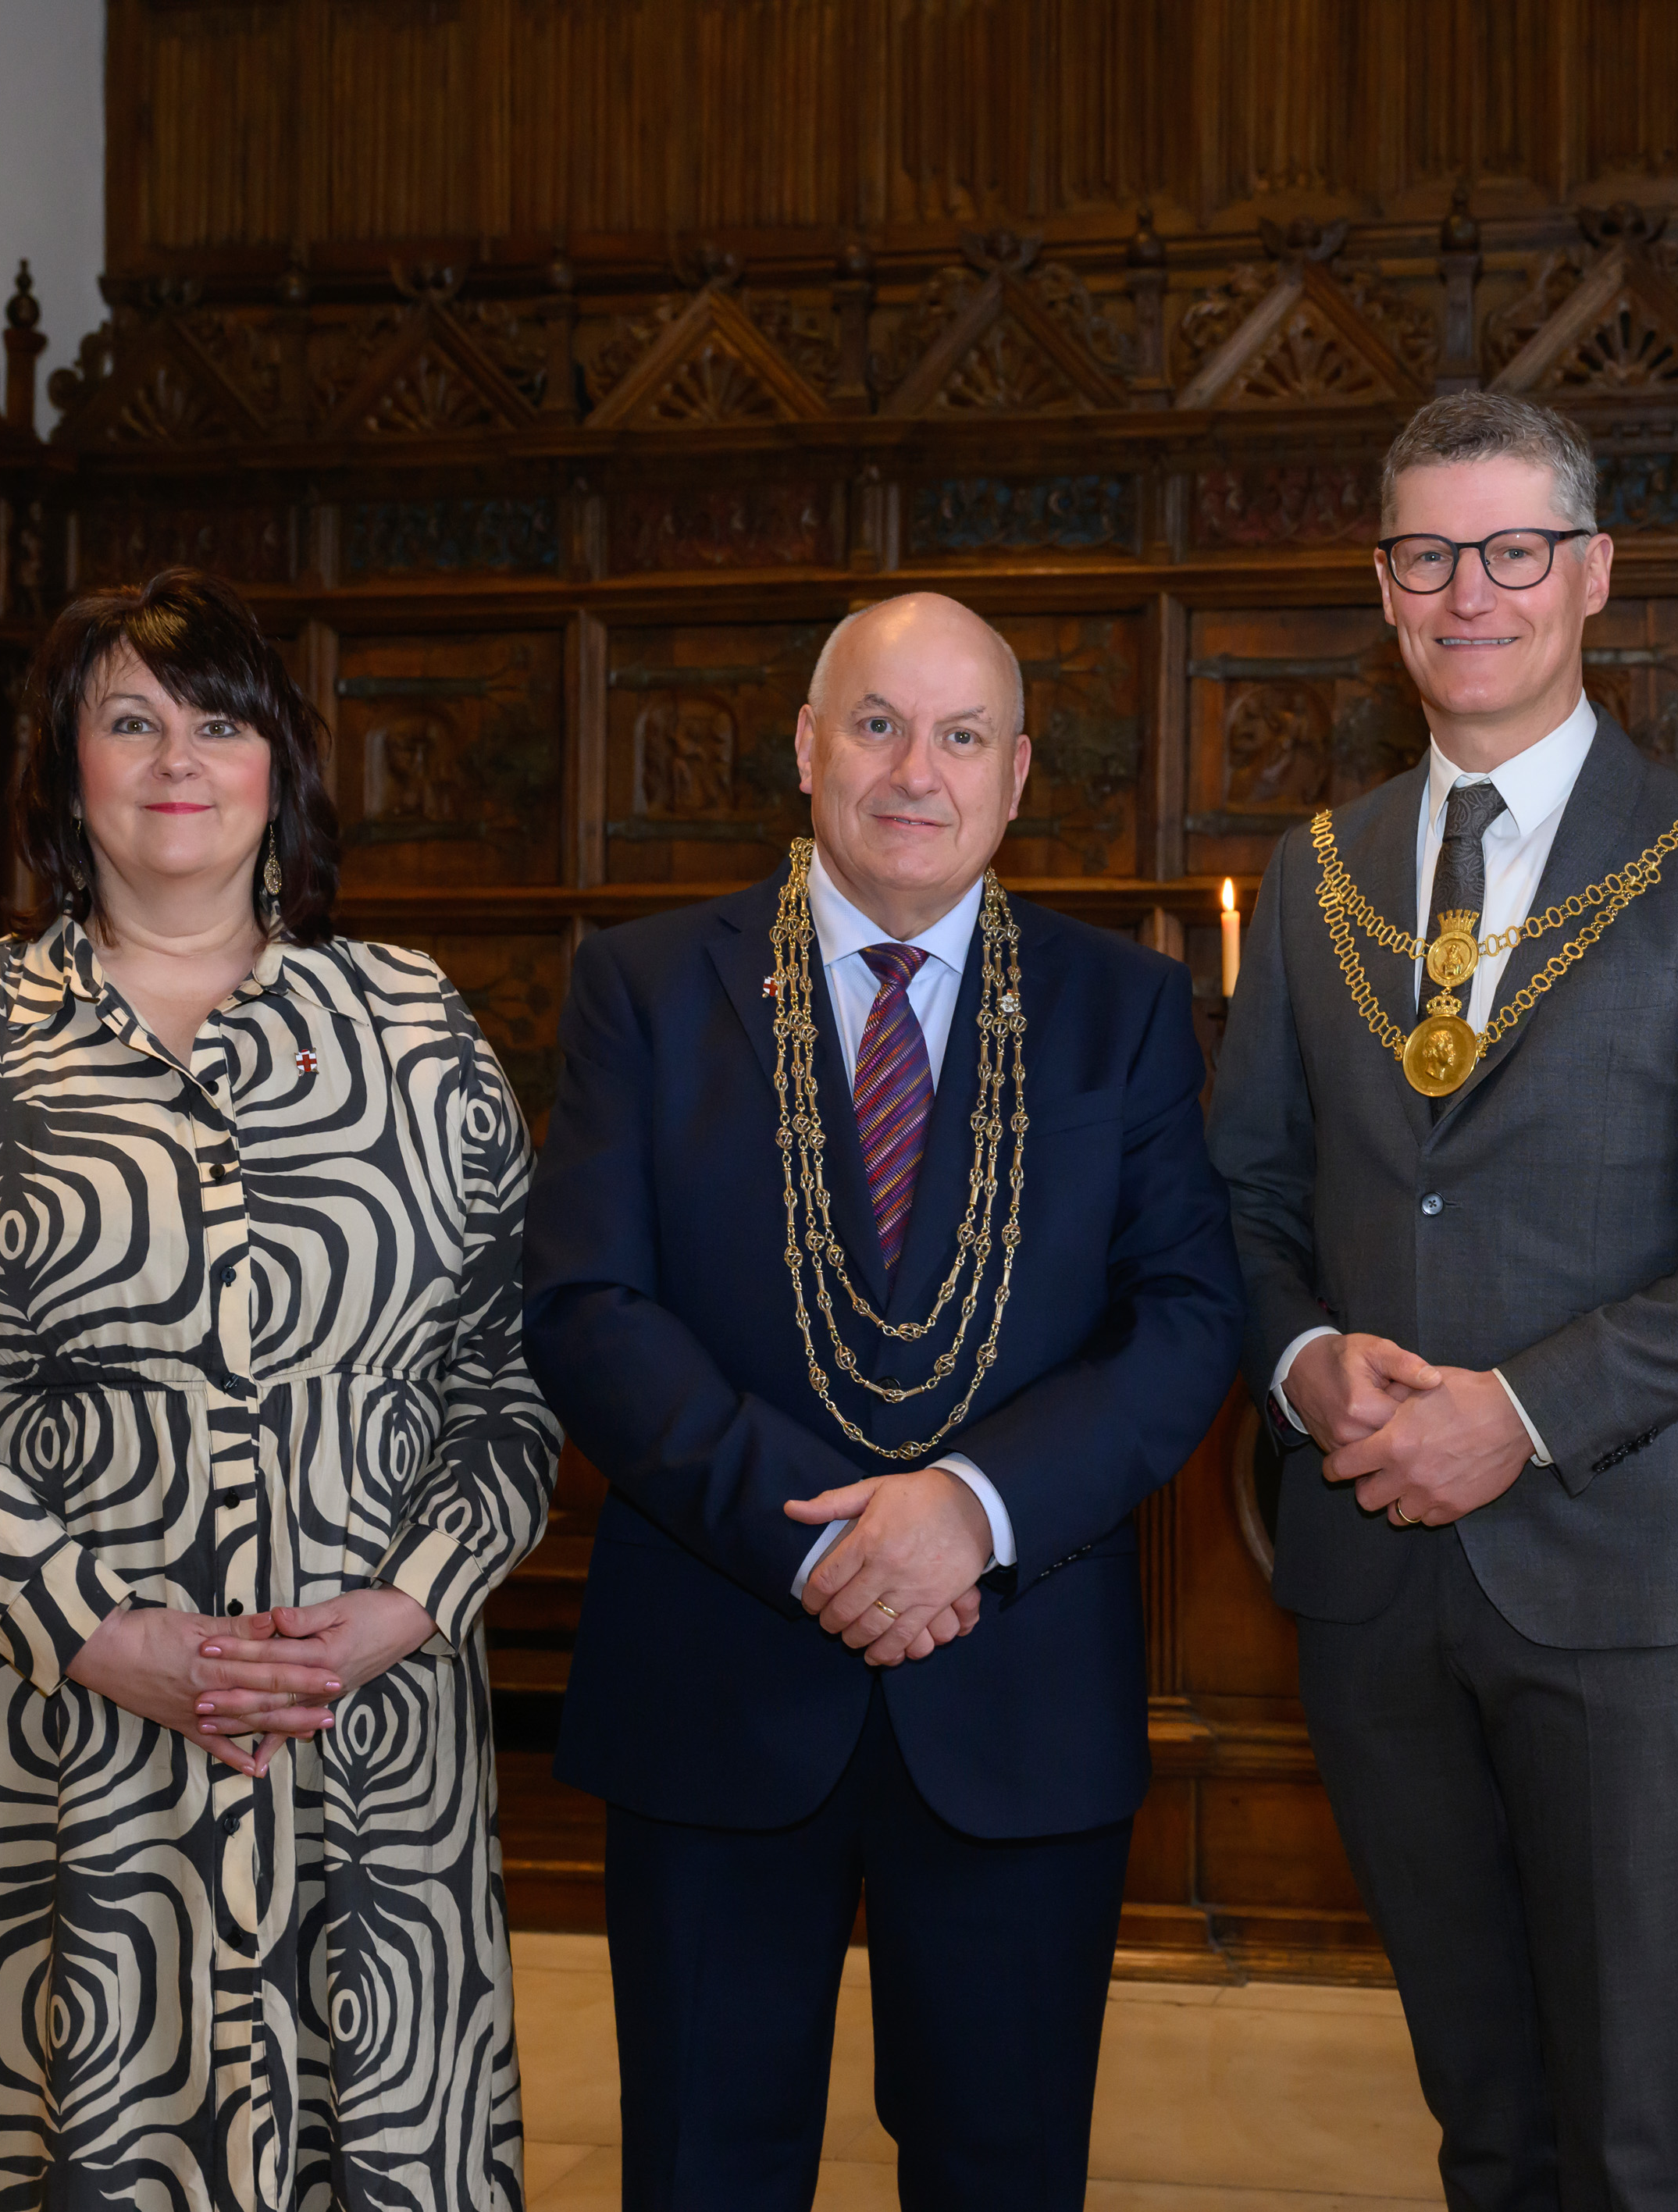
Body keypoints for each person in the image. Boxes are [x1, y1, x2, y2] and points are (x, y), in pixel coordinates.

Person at [0, 568, 563, 2211]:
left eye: (218, 721)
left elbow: (512, 1372)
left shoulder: (413, 1025)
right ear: (63, 766)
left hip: (359, 1738)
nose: (175, 760)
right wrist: (95, 1628)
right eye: (127, 720)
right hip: (37, 1740)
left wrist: (400, 1608)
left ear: (279, 759)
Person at [1206, 391, 1678, 2211]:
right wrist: (1307, 1355)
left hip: (1619, 1565)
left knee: (1633, 2134)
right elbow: (1244, 1200)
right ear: (1386, 587)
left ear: (1588, 575)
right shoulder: (1318, 870)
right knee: (1481, 2118)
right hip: (1367, 1576)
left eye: (1511, 551)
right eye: (1428, 554)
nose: (1468, 592)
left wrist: (1521, 1409)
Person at [527, 590, 1242, 2211]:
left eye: (962, 735)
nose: (916, 769)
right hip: (717, 1676)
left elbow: (1187, 1315)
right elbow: (587, 1304)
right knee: (706, 2167)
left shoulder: (1116, 1008)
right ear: (804, 747)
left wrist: (966, 1517)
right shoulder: (643, 987)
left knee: (1000, 2174)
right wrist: (824, 1543)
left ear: (1016, 775)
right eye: (876, 723)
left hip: (1017, 1688)